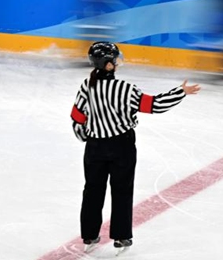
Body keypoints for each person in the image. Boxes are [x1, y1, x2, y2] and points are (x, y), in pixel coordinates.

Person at [71, 41, 200, 254]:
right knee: (122, 190)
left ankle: (89, 235)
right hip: (122, 146)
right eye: (115, 59)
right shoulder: (124, 89)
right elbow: (155, 105)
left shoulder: (87, 85)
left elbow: (77, 117)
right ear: (109, 65)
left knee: (92, 191)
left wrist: (88, 136)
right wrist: (181, 92)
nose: (118, 61)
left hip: (94, 148)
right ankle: (121, 237)